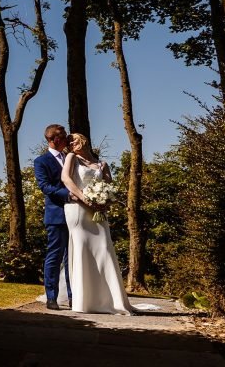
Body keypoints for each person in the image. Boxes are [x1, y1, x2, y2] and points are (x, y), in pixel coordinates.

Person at [60, 133, 135, 315]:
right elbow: (66, 179)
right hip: (77, 209)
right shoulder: (72, 158)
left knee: (104, 249)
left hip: (99, 210)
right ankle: (84, 301)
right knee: (82, 249)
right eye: (69, 142)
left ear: (83, 140)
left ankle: (112, 299)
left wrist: (105, 201)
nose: (72, 143)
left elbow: (109, 186)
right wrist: (84, 198)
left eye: (74, 139)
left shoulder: (102, 164)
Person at [33, 124, 73, 310]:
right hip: (56, 215)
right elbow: (45, 187)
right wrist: (69, 194)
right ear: (55, 139)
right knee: (55, 256)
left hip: (78, 215)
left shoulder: (72, 158)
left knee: (73, 257)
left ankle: (74, 297)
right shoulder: (41, 161)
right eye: (64, 136)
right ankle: (51, 297)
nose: (68, 139)